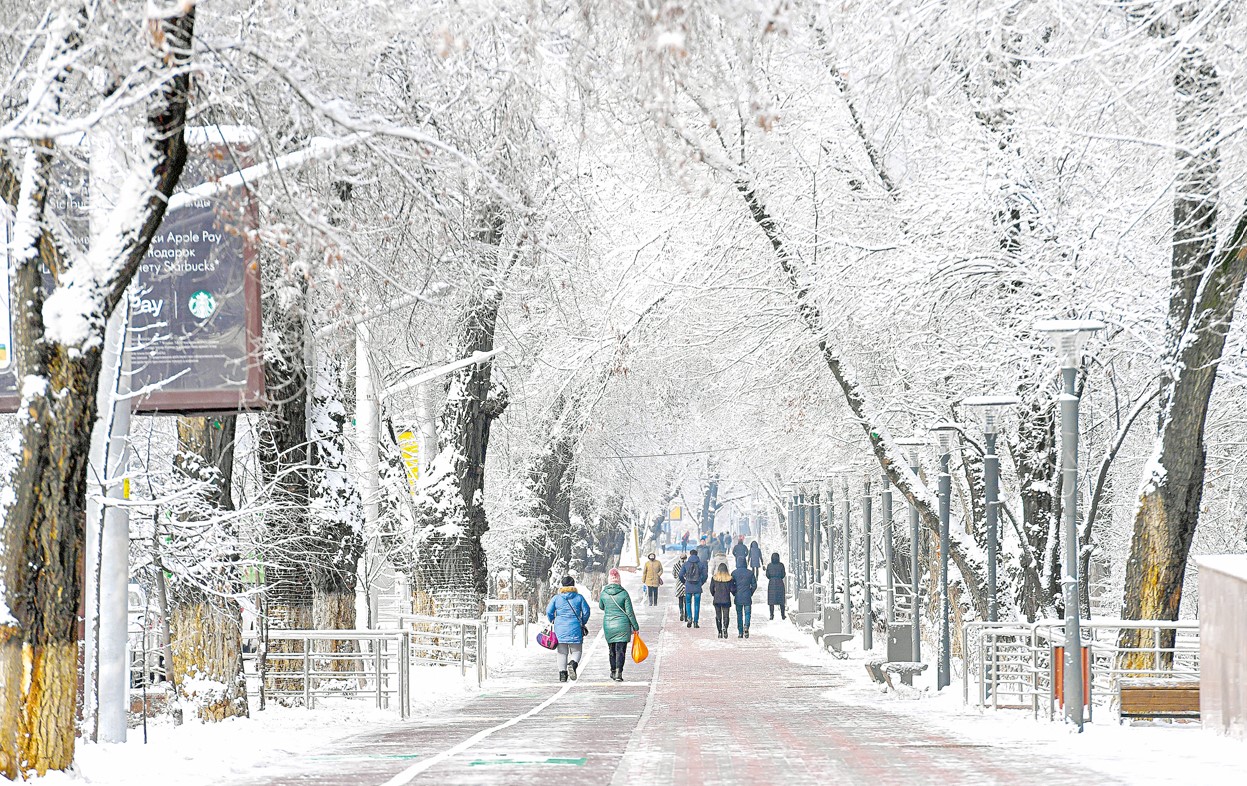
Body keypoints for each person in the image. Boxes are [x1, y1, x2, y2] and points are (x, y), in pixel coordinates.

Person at [546, 575, 591, 682]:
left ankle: (562, 675)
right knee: (577, 651)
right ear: (573, 585)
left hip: (560, 628)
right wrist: (582, 622)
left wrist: (553, 620)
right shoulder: (579, 597)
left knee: (562, 652)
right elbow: (586, 611)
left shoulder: (556, 598)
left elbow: (549, 611)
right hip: (575, 627)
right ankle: (573, 663)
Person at [600, 568, 640, 682]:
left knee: (611, 649)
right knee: (620, 650)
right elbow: (629, 612)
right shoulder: (624, 593)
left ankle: (612, 671)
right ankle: (618, 672)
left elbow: (601, 607)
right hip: (622, 626)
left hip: (608, 625)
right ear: (619, 580)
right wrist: (635, 627)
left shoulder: (604, 593)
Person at [678, 550, 706, 628]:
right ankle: (696, 622)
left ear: (690, 555)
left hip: (688, 586)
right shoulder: (701, 564)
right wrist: (701, 582)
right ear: (697, 554)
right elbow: (705, 575)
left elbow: (680, 575)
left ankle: (689, 618)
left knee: (688, 603)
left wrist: (685, 582)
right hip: (697, 586)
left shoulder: (686, 564)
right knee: (697, 604)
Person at [731, 555, 757, 638]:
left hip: (738, 596)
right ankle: (746, 626)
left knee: (739, 614)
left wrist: (734, 592)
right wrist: (750, 592)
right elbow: (754, 585)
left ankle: (740, 632)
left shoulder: (734, 573)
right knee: (747, 613)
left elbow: (731, 586)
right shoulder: (750, 573)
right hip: (747, 596)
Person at [709, 561, 735, 639]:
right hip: (726, 599)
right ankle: (725, 629)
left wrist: (714, 594)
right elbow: (732, 589)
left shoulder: (714, 578)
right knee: (726, 616)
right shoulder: (729, 579)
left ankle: (719, 632)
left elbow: (711, 589)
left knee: (718, 616)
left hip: (717, 599)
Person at [765, 552, 787, 620]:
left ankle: (771, 615)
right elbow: (783, 574)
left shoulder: (769, 565)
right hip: (780, 583)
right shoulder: (781, 565)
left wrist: (772, 578)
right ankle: (783, 615)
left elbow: (767, 575)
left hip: (771, 583)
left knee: (771, 601)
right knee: (781, 600)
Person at [673, 552, 688, 621]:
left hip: (679, 584)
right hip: (686, 583)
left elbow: (674, 575)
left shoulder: (676, 565)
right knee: (687, 600)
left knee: (680, 599)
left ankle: (681, 612)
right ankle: (686, 615)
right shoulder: (688, 565)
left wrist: (678, 578)